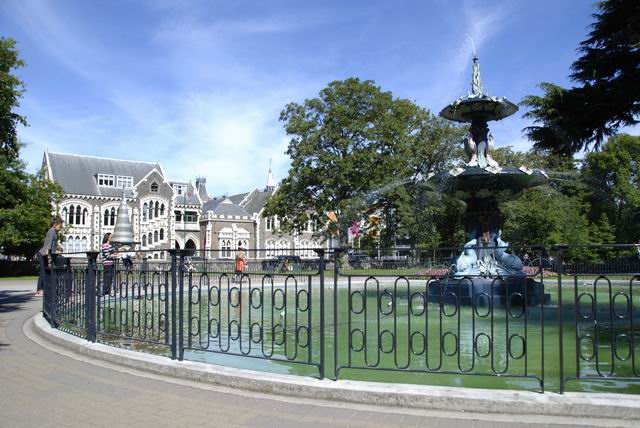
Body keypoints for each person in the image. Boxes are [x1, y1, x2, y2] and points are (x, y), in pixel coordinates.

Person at [36, 217, 63, 297]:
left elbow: (53, 243)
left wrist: (58, 249)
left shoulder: (53, 232)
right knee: (43, 272)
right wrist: (48, 255)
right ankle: (39, 290)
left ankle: (43, 289)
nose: (60, 228)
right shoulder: (52, 231)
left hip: (44, 253)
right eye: (59, 226)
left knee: (46, 271)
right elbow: (49, 244)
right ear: (55, 225)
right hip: (43, 254)